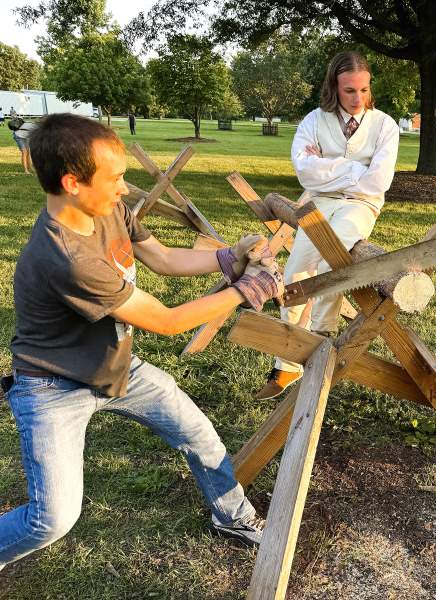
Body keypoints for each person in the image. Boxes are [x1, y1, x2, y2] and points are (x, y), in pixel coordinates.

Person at [0, 113, 283, 570]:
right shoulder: (66, 258)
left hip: (115, 367)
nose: (124, 186)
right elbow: (168, 321)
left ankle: (232, 517)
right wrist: (245, 290)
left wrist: (229, 257)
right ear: (73, 182)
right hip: (52, 389)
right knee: (51, 519)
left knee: (198, 433)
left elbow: (164, 258)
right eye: (114, 177)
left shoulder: (108, 209)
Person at [256, 51, 400, 399]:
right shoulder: (314, 121)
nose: (358, 98)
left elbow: (377, 183)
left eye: (364, 90)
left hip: (360, 207)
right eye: (350, 91)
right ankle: (287, 365)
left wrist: (331, 169)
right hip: (317, 204)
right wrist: (353, 169)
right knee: (294, 274)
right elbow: (305, 170)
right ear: (334, 87)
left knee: (328, 265)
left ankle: (320, 348)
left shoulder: (385, 126)